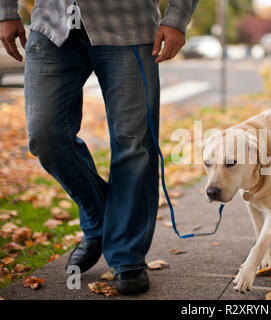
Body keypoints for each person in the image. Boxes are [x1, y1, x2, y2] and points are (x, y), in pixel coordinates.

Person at [0, 0, 198, 295]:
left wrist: (177, 18)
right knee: (45, 135)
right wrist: (5, 11)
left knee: (134, 145)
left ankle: (127, 255)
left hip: (128, 24)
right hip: (51, 23)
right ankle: (101, 220)